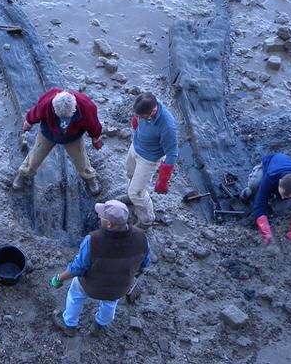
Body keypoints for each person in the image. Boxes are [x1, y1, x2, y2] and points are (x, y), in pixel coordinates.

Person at [49, 199, 151, 336]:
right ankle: (100, 325)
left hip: (92, 285)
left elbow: (78, 268)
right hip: (119, 287)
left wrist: (59, 278)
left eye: (101, 216)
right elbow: (145, 264)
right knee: (110, 303)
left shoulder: (93, 241)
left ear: (109, 224)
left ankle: (70, 325)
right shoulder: (141, 237)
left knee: (75, 294)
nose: (98, 216)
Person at [11, 88, 103, 195]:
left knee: (81, 159)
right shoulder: (46, 102)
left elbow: (93, 124)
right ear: (53, 107)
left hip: (72, 137)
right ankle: (24, 173)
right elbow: (36, 112)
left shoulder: (87, 106)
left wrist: (95, 137)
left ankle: (89, 177)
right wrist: (29, 122)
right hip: (48, 133)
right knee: (36, 154)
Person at [126, 92, 178, 227]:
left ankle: (147, 220)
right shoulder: (147, 107)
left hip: (149, 160)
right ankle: (133, 197)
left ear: (153, 110)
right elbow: (138, 118)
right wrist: (137, 121)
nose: (138, 118)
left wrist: (163, 178)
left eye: (141, 116)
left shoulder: (167, 125)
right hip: (135, 147)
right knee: (130, 175)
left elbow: (172, 152)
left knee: (136, 193)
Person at [241, 153, 291, 245]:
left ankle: (277, 198)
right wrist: (267, 235)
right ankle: (250, 190)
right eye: (282, 194)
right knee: (255, 184)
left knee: (280, 209)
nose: (283, 198)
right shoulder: (271, 176)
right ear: (279, 182)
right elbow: (259, 204)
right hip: (269, 166)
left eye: (286, 197)